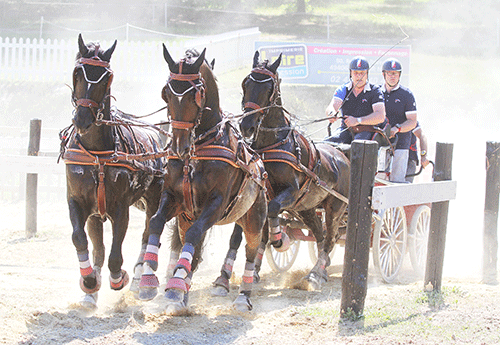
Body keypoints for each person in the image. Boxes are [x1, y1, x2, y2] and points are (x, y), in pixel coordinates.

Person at [324, 56, 386, 144]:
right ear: (350, 73)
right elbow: (332, 106)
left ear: (367, 73)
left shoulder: (375, 91)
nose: (359, 76)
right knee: (326, 143)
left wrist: (357, 121)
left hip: (367, 131)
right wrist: (331, 113)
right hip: (346, 130)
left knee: (358, 146)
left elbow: (380, 116)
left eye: (362, 73)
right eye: (356, 73)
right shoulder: (343, 89)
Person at [380, 58, 417, 182]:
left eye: (395, 73)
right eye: (389, 73)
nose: (392, 76)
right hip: (380, 140)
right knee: (378, 177)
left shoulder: (406, 95)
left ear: (399, 75)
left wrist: (397, 128)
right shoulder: (377, 92)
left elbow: (412, 121)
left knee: (397, 178)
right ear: (384, 74)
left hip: (401, 140)